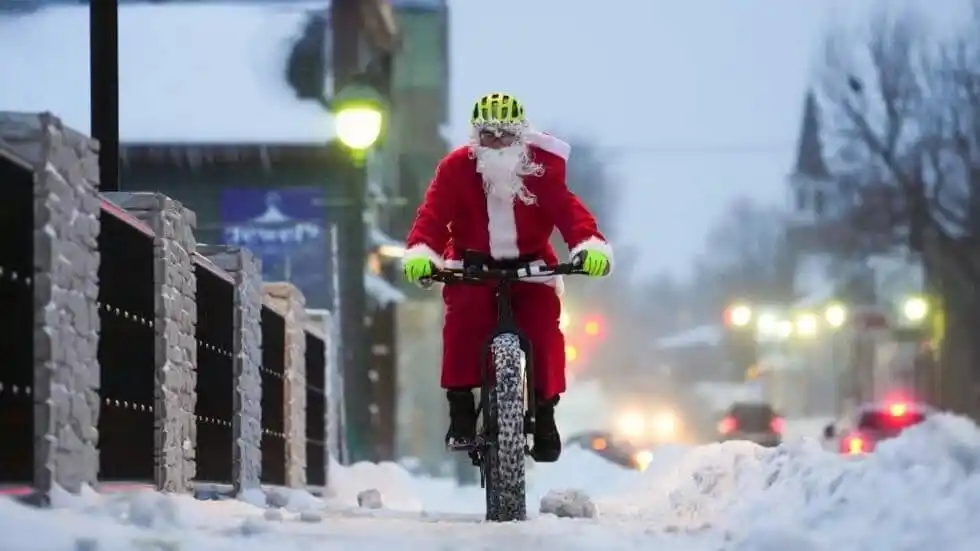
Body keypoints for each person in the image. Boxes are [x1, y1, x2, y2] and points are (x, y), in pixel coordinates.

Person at [401, 92, 612, 462]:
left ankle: (545, 415)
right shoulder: (455, 169)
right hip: (472, 267)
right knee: (463, 326)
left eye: (506, 134)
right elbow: (432, 215)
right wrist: (422, 252)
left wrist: (588, 244)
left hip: (531, 267)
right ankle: (462, 411)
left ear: (521, 135)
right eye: (488, 135)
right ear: (475, 137)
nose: (497, 143)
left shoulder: (540, 170)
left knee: (545, 331)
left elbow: (569, 211)